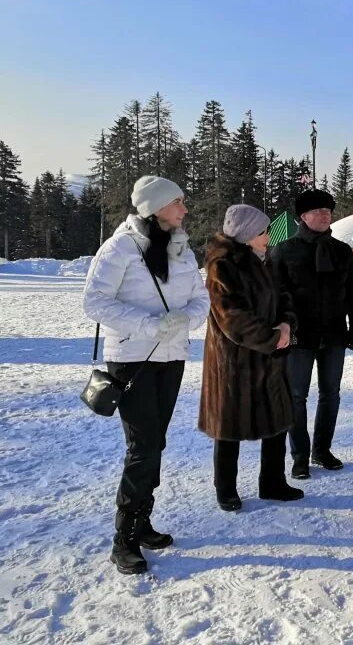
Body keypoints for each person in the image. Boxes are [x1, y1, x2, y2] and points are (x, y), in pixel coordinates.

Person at [82, 176, 210, 575]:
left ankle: (142, 521)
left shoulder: (181, 248)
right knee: (142, 447)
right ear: (155, 208)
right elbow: (94, 301)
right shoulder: (119, 247)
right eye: (178, 203)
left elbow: (201, 300)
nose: (185, 210)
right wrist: (150, 325)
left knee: (155, 442)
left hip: (171, 358)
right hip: (133, 359)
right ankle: (124, 539)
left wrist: (181, 321)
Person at [199, 204, 303, 511]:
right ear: (246, 235)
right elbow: (232, 317)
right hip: (234, 360)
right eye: (263, 231)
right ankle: (225, 489)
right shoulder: (223, 265)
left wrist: (286, 323)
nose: (268, 235)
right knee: (229, 426)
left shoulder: (264, 259)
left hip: (270, 355)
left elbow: (283, 295)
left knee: (277, 420)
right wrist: (273, 338)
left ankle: (272, 482)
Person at [271, 189, 353, 478]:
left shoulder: (341, 250)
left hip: (334, 334)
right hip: (299, 337)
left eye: (328, 210)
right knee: (296, 396)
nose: (326, 215)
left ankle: (322, 450)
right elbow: (274, 295)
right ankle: (299, 455)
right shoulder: (284, 251)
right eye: (319, 210)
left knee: (330, 394)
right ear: (303, 216)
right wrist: (282, 329)